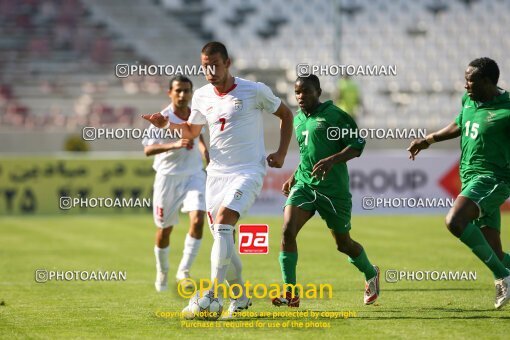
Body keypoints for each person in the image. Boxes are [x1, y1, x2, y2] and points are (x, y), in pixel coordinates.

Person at [142, 41, 293, 317]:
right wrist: (168, 125)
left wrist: (282, 152)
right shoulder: (201, 96)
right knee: (224, 239)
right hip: (216, 175)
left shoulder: (254, 90)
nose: (210, 70)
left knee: (224, 223)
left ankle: (212, 293)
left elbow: (286, 114)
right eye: (205, 66)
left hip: (248, 171)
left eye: (215, 64)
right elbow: (191, 131)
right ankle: (241, 298)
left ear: (228, 63)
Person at [407, 57, 510, 309]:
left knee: (455, 221)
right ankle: (502, 270)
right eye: (465, 79)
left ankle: (503, 278)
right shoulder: (469, 101)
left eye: (470, 80)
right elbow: (460, 124)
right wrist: (428, 140)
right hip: (469, 178)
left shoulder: (507, 109)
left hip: (493, 179)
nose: (465, 85)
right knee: (495, 254)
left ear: (487, 82)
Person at [272, 74, 380, 308]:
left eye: (306, 92)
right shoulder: (299, 120)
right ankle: (290, 292)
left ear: (319, 92)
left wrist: (333, 160)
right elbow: (306, 155)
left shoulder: (336, 116)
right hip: (305, 185)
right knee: (287, 231)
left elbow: (358, 145)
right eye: (297, 92)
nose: (300, 97)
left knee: (343, 245)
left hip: (333, 191)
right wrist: (293, 177)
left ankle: (371, 272)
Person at [142, 75, 209, 292]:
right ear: (170, 93)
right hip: (167, 178)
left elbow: (199, 137)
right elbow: (148, 150)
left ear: (191, 93)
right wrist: (174, 144)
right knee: (164, 229)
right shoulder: (161, 118)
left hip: (193, 175)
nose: (182, 95)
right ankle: (162, 270)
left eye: (186, 91)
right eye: (178, 91)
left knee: (198, 219)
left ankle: (184, 269)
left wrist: (205, 151)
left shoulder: (197, 115)